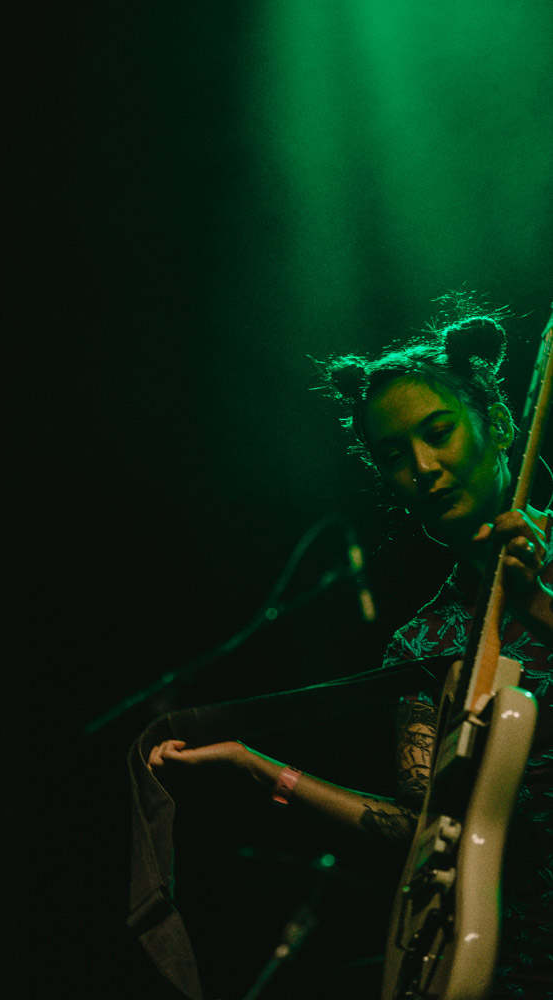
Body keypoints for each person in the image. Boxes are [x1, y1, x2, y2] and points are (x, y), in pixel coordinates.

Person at [146, 300, 553, 998]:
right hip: (506, 961)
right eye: (394, 456)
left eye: (439, 433)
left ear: (501, 424)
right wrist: (259, 770)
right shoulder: (422, 643)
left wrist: (539, 610)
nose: (422, 467)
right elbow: (423, 832)